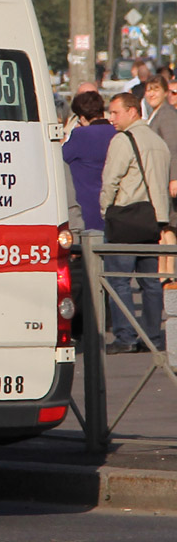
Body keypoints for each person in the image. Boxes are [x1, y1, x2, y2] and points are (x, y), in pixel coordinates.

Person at [100, 92, 170, 354]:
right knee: (150, 282)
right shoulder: (157, 141)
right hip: (153, 220)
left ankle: (126, 336)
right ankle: (151, 335)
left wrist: (105, 210)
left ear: (132, 111)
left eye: (116, 112)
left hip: (126, 219)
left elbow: (110, 181)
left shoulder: (123, 140)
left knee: (118, 280)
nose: (111, 118)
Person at [64, 91, 117, 232]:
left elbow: (60, 159)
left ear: (82, 118)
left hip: (88, 209)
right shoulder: (117, 133)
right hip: (115, 209)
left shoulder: (80, 135)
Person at [144, 75, 177, 273]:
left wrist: (174, 177)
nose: (151, 94)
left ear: (165, 92)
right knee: (164, 228)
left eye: (155, 89)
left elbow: (174, 147)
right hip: (160, 179)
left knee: (170, 227)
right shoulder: (156, 113)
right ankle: (164, 273)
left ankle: (169, 273)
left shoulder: (167, 114)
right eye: (148, 90)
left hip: (167, 180)